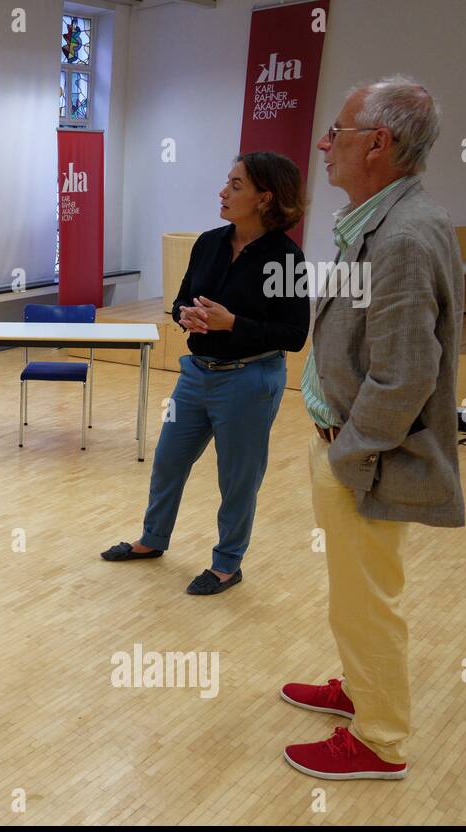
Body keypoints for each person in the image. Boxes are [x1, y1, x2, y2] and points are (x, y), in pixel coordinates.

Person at [280, 76, 464, 780]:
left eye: (339, 132)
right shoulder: (384, 221)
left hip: (366, 460)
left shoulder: (404, 238)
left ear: (379, 144)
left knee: (368, 604)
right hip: (352, 451)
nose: (324, 145)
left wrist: (347, 455)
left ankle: (380, 740)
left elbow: (407, 376)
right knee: (354, 598)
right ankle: (359, 692)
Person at [100, 152, 309, 595]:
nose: (223, 191)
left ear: (264, 197)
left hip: (250, 381)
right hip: (195, 374)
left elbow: (293, 334)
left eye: (236, 185)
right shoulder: (209, 243)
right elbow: (180, 301)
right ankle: (152, 540)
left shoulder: (286, 258)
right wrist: (187, 316)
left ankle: (227, 564)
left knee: (237, 477)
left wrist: (232, 323)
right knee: (167, 460)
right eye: (227, 181)